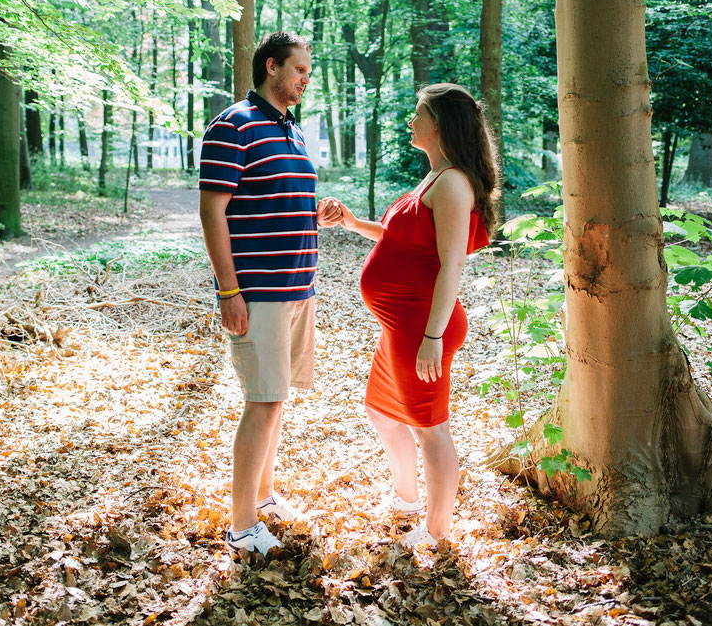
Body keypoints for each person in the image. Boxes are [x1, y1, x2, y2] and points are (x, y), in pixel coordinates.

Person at [322, 83, 500, 547]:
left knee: (431, 430)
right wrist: (352, 222)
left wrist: (433, 336)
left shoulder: (455, 183)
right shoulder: (434, 176)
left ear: (437, 124)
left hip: (423, 325)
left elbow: (452, 263)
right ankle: (406, 497)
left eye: (417, 113)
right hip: (399, 325)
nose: (410, 121)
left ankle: (437, 532)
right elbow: (402, 240)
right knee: (381, 413)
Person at [199, 31, 339, 554]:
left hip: (299, 286)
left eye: (307, 72)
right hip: (256, 290)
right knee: (262, 401)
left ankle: (262, 497)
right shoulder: (233, 124)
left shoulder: (291, 130)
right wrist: (227, 289)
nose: (306, 80)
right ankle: (241, 527)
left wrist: (314, 214)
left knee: (275, 400)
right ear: (272, 66)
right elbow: (213, 211)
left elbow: (271, 202)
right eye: (300, 70)